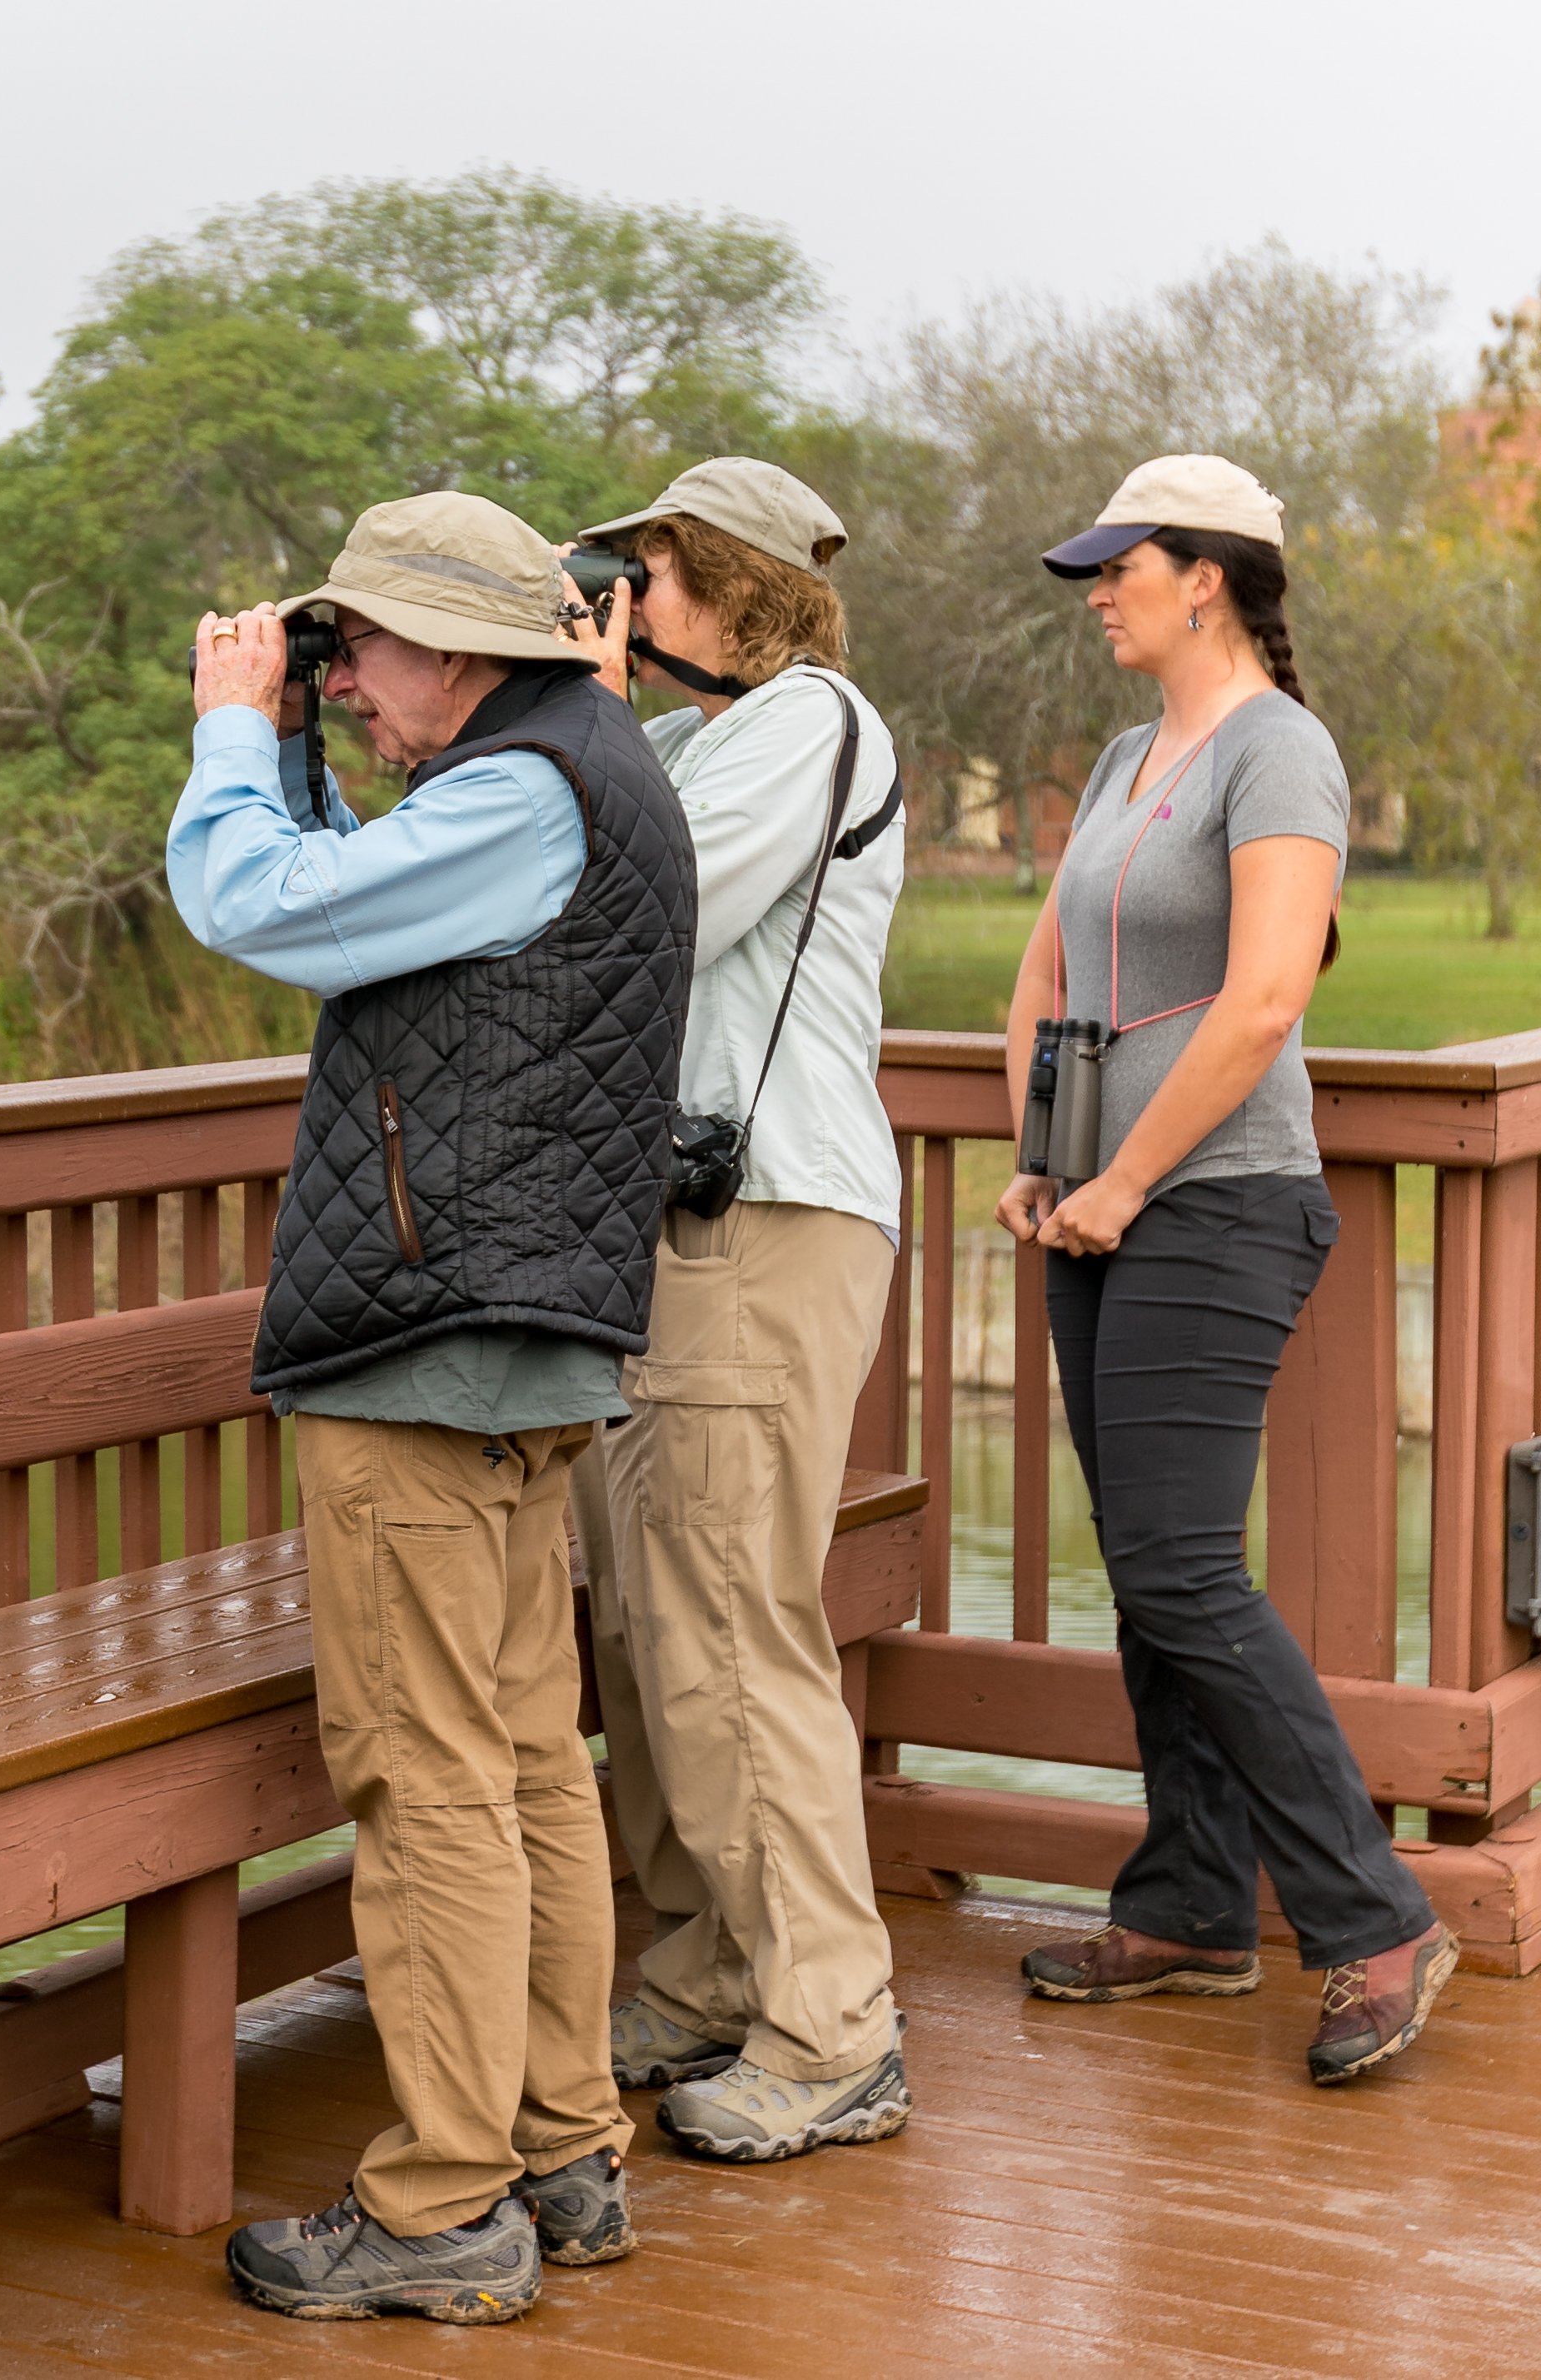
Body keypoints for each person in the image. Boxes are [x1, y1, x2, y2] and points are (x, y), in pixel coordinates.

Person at [165, 493, 696, 2325]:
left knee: (430, 1775)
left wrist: (237, 733)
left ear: (464, 649)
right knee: (530, 1755)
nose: (355, 686)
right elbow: (365, 931)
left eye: (364, 651)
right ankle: (558, 2148)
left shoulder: (523, 793)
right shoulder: (576, 769)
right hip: (519, 1330)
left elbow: (256, 903)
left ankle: (443, 2200)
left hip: (431, 1341)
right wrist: (305, 743)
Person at [990, 453, 1454, 2085]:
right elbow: (1050, 968)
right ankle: (1190, 1905)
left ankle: (1372, 1915)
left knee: (1185, 1570)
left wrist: (1123, 1175)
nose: (1097, 588)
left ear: (1208, 576)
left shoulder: (1283, 750)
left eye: (1121, 564)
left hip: (1221, 1199)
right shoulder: (1130, 752)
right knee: (1147, 1572)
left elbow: (1263, 1001)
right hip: (1102, 1205)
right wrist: (1046, 1156)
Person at [557, 460, 915, 2160]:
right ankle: (702, 1970)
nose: (622, 594)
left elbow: (640, 910)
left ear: (725, 581)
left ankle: (831, 2024)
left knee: (725, 1620)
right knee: (645, 1622)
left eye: (644, 569)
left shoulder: (804, 722)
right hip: (672, 1235)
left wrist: (588, 706)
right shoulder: (704, 738)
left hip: (760, 1221)